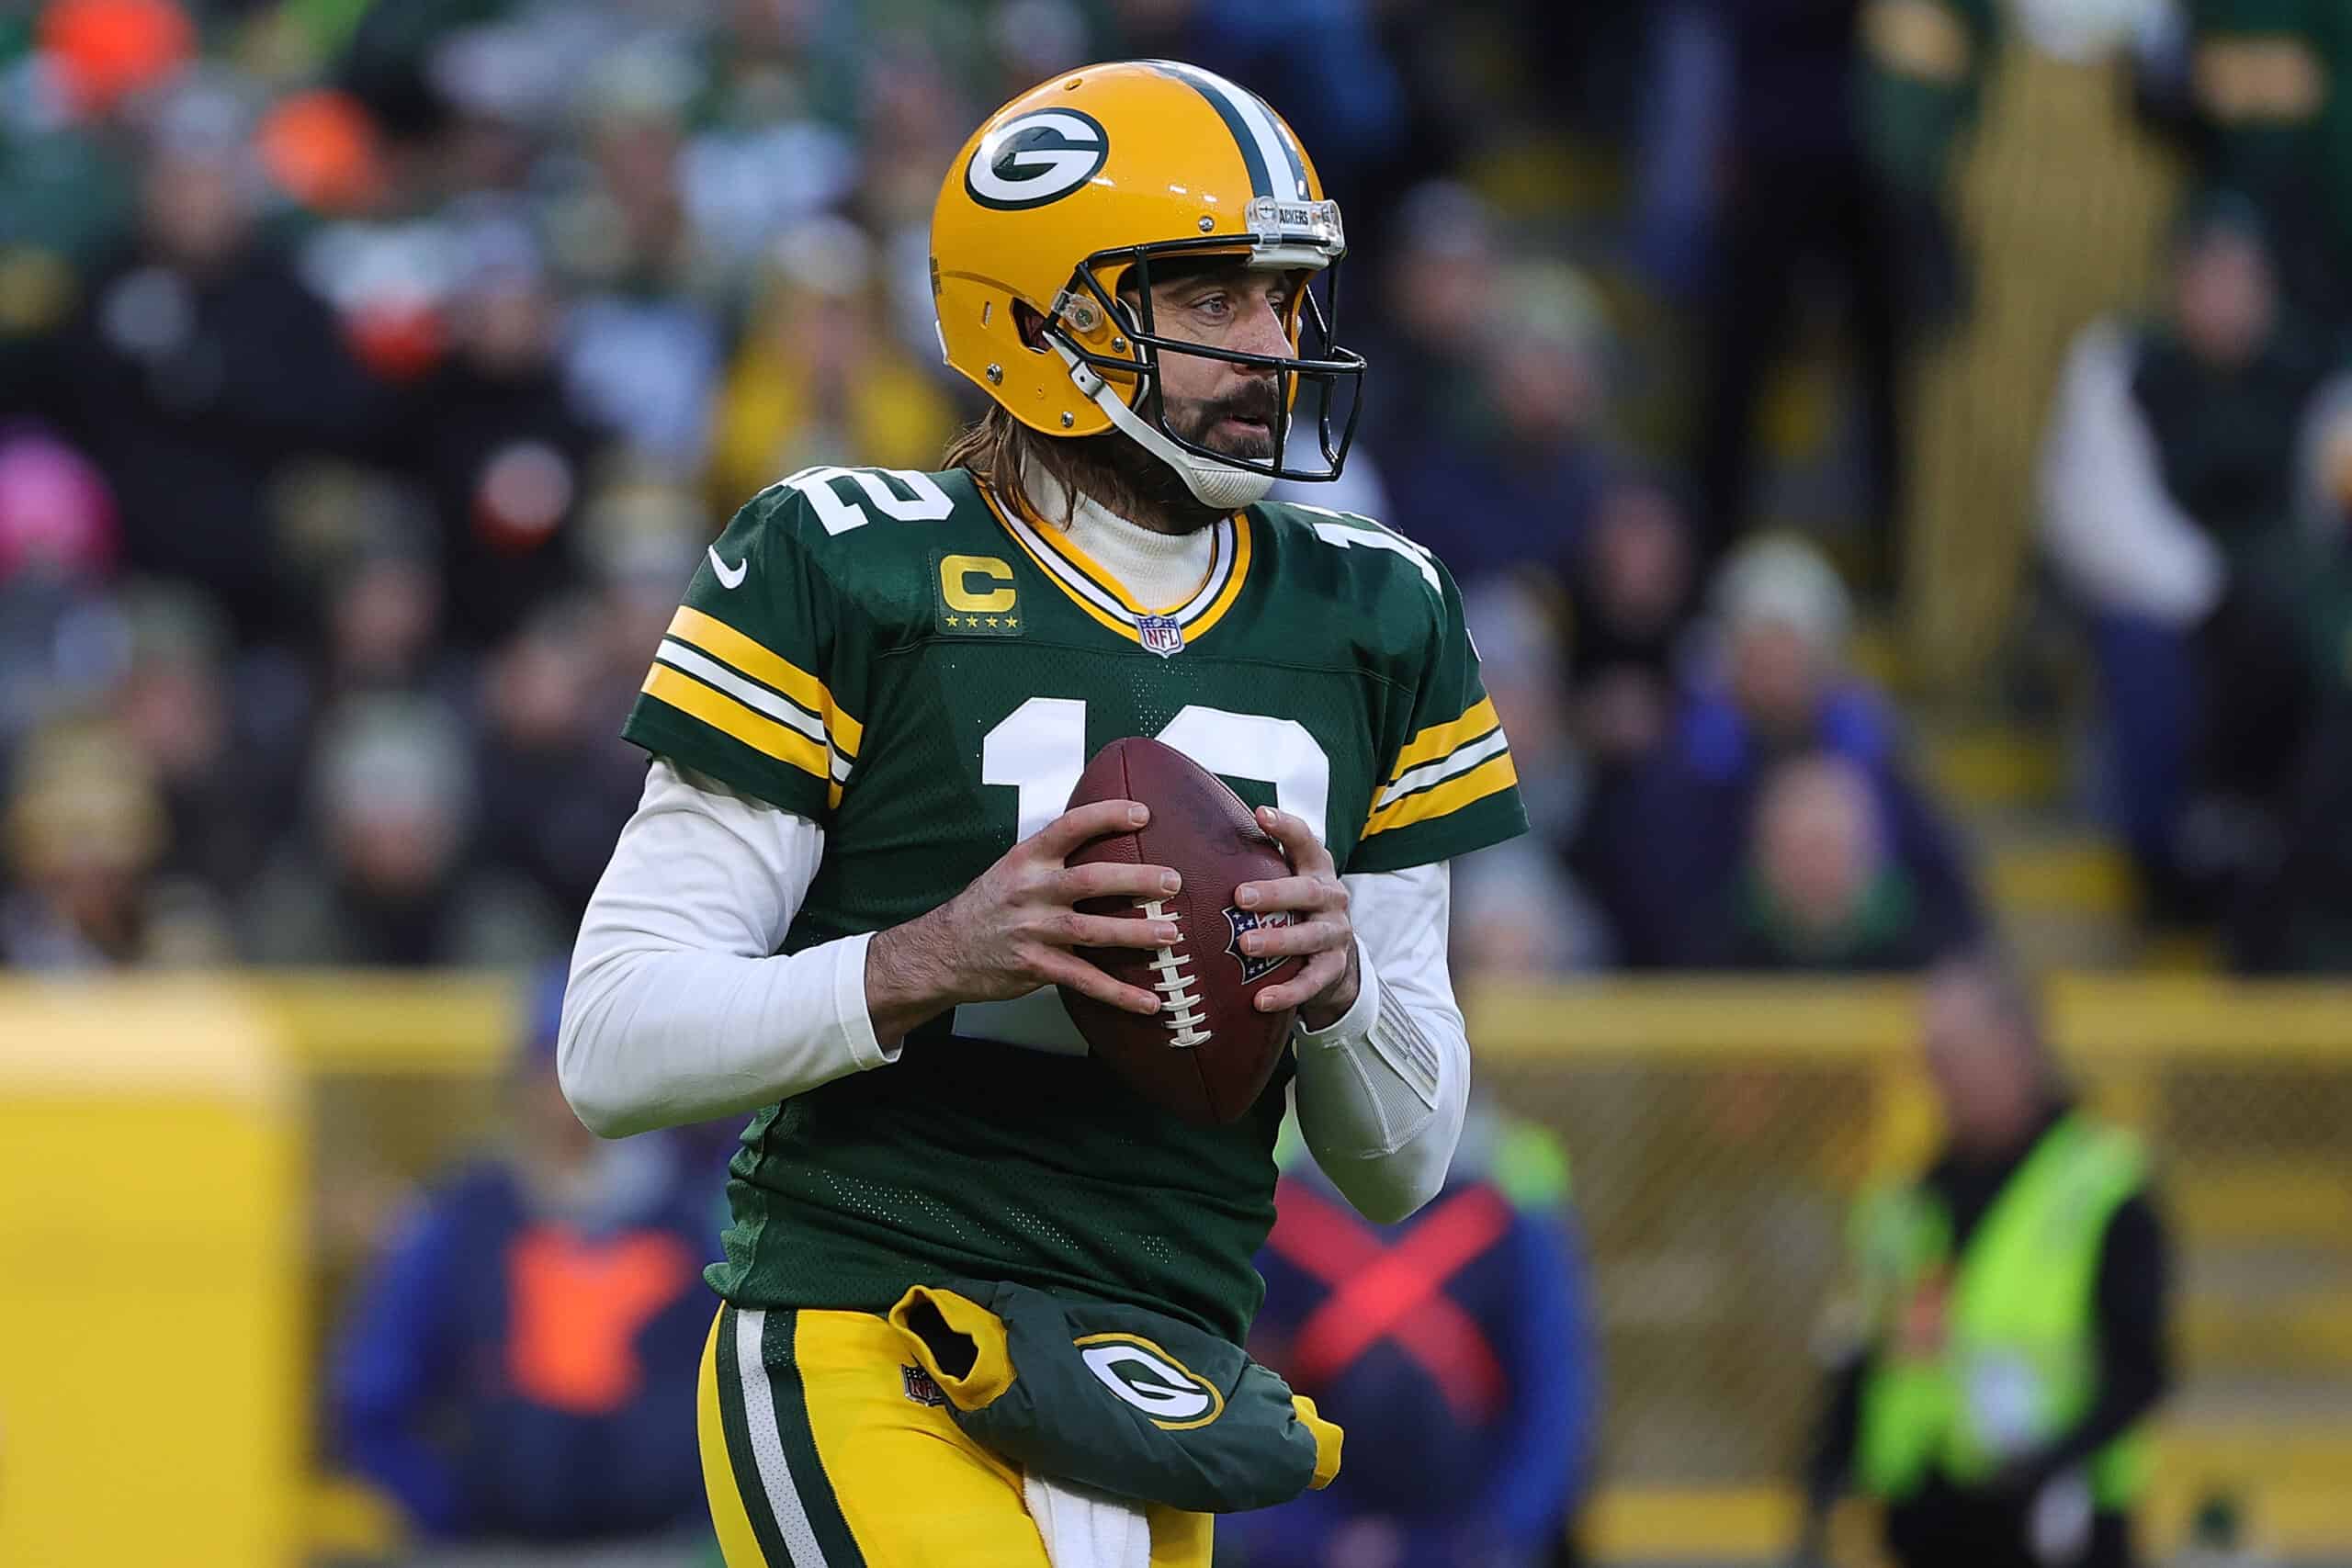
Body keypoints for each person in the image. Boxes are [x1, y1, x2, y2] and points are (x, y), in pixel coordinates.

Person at [558, 60, 1525, 1567]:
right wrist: (925, 957)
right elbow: (612, 1042)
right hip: (869, 1322)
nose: (1273, 346)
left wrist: (1340, 997)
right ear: (1040, 312)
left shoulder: (1377, 611)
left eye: (1287, 299)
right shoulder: (841, 562)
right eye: (1211, 298)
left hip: (1162, 1367)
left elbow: (1402, 1160)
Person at [1789, 953, 2174, 1568]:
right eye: (1929, 1060)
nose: (1935, 1079)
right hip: (1929, 1520)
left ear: (2018, 1048)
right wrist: (1823, 1482)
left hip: (2055, 1525)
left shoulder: (2103, 1189)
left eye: (1951, 1056)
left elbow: (2142, 1369)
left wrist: (2052, 1461)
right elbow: (1863, 1351)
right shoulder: (1905, 1201)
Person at [330, 967, 716, 1560]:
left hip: (653, 1547)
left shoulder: (690, 1222)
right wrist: (443, 1506)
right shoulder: (465, 1218)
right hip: (486, 1546)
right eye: (555, 1067)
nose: (571, 1094)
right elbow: (373, 1390)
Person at [1227, 1104, 1598, 1568]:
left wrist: (1495, 1534)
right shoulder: (1270, 1177)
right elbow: (1229, 1385)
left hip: (1466, 1529)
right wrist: (1289, 1536)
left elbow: (1552, 1392)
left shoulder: (1513, 1181)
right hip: (1305, 1535)